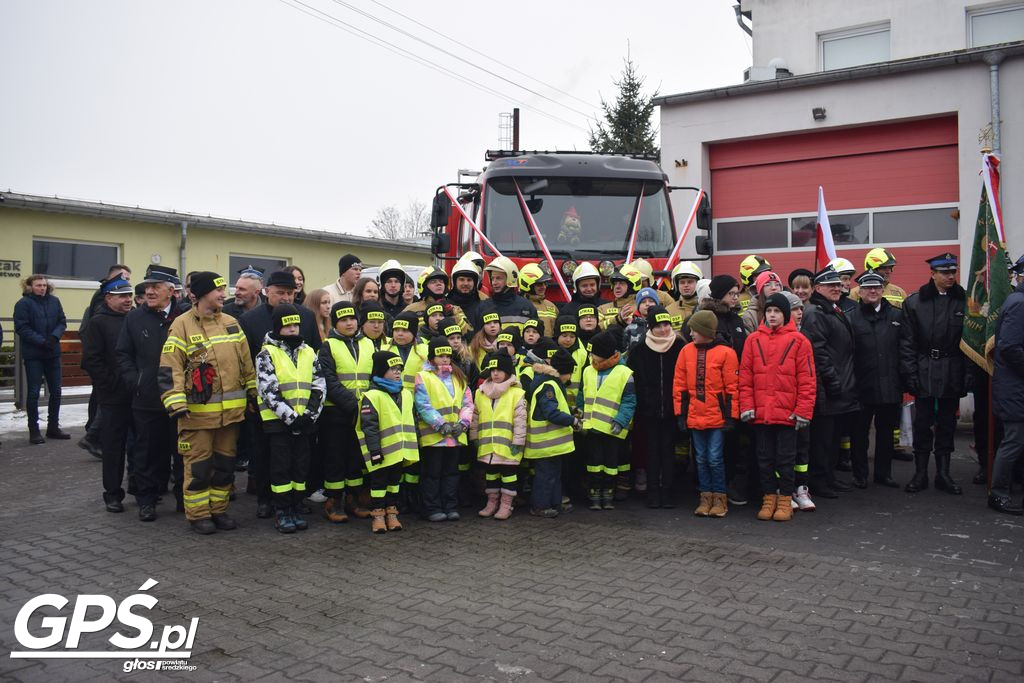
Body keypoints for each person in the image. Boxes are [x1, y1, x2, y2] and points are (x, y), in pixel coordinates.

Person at [159, 271, 257, 534]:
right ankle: (199, 515)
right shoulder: (181, 325)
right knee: (199, 469)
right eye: (218, 290)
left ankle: (219, 510)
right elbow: (170, 368)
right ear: (200, 295)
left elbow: (247, 364)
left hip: (230, 416)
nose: (223, 295)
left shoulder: (231, 323)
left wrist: (253, 394)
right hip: (197, 417)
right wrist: (176, 402)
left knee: (225, 468)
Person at [739, 293, 816, 522]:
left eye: (777, 312)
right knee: (764, 458)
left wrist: (803, 410)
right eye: (769, 311)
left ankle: (785, 500)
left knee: (785, 459)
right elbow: (745, 377)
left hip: (788, 415)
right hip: (761, 414)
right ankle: (769, 498)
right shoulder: (753, 340)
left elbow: (807, 379)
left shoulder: (800, 341)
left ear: (785, 315)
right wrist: (747, 406)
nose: (772, 315)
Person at [116, 265, 183, 522]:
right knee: (147, 452)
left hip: (180, 400)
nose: (149, 291)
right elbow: (123, 353)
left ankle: (183, 499)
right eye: (147, 286)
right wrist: (136, 381)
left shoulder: (184, 316)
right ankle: (146, 500)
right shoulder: (134, 318)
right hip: (147, 399)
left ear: (171, 290)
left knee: (182, 451)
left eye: (156, 286)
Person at [256, 304, 326, 533]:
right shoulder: (267, 353)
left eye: (295, 324)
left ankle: (297, 505)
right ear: (278, 326)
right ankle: (282, 510)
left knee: (301, 467)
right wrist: (291, 418)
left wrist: (308, 416)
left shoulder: (309, 352)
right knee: (281, 469)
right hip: (279, 424)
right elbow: (268, 391)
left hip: (305, 424)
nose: (292, 329)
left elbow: (319, 386)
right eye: (287, 325)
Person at [903, 253, 968, 495]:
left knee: (947, 424)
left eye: (953, 272)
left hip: (952, 368)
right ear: (933, 274)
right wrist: (910, 373)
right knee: (923, 423)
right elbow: (907, 343)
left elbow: (969, 343)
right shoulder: (915, 302)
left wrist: (967, 375)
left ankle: (944, 473)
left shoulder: (964, 302)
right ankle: (920, 473)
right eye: (945, 272)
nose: (950, 276)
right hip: (925, 367)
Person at [848, 271, 914, 489]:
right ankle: (860, 474)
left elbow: (906, 349)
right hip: (861, 386)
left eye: (877, 287)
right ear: (860, 292)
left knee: (886, 434)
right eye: (868, 288)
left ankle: (883, 474)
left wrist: (905, 379)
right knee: (859, 435)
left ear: (883, 289)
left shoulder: (896, 316)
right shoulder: (850, 317)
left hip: (890, 385)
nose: (873, 291)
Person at [802, 265, 859, 499]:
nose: (837, 288)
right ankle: (819, 481)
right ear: (817, 288)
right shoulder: (816, 312)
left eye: (838, 284)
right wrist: (834, 382)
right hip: (827, 388)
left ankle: (829, 478)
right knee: (822, 440)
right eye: (830, 285)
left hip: (840, 385)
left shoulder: (831, 309)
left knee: (834, 438)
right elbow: (819, 352)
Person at [81, 276, 135, 513]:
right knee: (114, 448)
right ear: (109, 298)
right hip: (113, 396)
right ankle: (112, 494)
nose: (128, 300)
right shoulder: (98, 323)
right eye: (122, 296)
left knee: (139, 444)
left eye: (129, 295)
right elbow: (92, 360)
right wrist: (112, 384)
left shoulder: (134, 318)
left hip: (137, 393)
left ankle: (140, 486)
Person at [318, 302, 373, 523]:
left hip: (364, 412)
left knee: (356, 458)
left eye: (351, 319)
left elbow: (375, 375)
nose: (349, 323)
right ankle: (333, 501)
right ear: (335, 323)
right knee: (335, 459)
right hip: (337, 414)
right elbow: (329, 380)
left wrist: (367, 406)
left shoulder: (369, 344)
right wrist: (352, 404)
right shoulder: (328, 346)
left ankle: (353, 500)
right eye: (343, 320)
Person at [357, 350, 418, 533]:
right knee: (378, 484)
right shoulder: (372, 396)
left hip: (401, 450)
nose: (397, 372)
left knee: (394, 482)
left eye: (399, 369)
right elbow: (369, 427)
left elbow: (411, 420)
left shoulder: (406, 394)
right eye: (392, 369)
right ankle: (378, 514)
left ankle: (392, 512)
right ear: (381, 371)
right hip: (381, 452)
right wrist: (374, 450)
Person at [630, 306, 685, 508]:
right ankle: (653, 492)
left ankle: (668, 491)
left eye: (666, 324)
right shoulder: (639, 350)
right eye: (658, 326)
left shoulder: (680, 346)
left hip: (672, 410)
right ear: (650, 328)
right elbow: (635, 382)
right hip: (648, 412)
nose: (663, 329)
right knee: (651, 452)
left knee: (668, 451)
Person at [415, 336, 474, 522]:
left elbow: (468, 403)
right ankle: (432, 507)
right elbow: (423, 405)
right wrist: (440, 424)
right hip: (434, 436)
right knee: (432, 474)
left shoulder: (459, 377)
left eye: (447, 356)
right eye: (440, 356)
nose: (445, 359)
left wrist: (463, 423)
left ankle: (450, 505)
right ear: (432, 357)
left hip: (455, 435)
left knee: (451, 473)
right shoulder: (423, 377)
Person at [579, 330, 635, 511]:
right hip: (591, 427)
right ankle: (595, 491)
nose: (591, 356)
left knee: (611, 463)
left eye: (594, 352)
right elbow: (582, 394)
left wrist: (620, 421)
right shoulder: (588, 370)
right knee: (593, 462)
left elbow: (629, 401)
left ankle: (608, 491)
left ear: (603, 353)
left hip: (612, 429)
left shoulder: (624, 373)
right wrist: (578, 413)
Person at [470, 352, 527, 520]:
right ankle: (491, 503)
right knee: (491, 475)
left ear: (508, 372)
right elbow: (475, 417)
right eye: (492, 370)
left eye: (499, 370)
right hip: (488, 445)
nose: (495, 373)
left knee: (509, 475)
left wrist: (518, 442)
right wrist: (474, 437)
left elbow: (521, 421)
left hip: (508, 445)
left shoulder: (516, 393)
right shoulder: (480, 393)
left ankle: (506, 505)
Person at [13, 274, 69, 444]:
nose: (42, 288)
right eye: (38, 285)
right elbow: (22, 327)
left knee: (56, 391)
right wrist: (41, 341)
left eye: (44, 285)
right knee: (33, 393)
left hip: (52, 352)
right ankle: (34, 430)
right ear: (30, 286)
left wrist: (54, 337)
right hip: (34, 355)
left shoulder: (54, 301)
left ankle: (53, 427)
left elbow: (62, 321)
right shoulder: (23, 304)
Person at [524, 347, 579, 517]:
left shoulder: (548, 382)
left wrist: (571, 410)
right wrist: (572, 420)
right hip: (545, 443)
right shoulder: (549, 385)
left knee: (553, 474)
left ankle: (555, 503)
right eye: (570, 373)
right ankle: (540, 506)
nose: (570, 378)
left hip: (550, 444)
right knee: (545, 476)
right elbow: (551, 412)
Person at [989, 255, 1024, 515]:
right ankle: (998, 494)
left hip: (1016, 388)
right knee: (1013, 442)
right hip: (1015, 389)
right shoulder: (1019, 303)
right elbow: (1010, 347)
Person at [782, 290, 815, 511]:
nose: (800, 312)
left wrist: (804, 407)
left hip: (799, 405)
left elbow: (808, 377)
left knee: (802, 451)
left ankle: (801, 487)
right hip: (781, 407)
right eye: (795, 308)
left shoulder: (804, 336)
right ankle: (783, 489)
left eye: (801, 308)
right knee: (783, 452)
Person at [403, 267, 470, 333]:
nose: (439, 284)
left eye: (441, 281)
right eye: (433, 282)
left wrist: (453, 315)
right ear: (424, 286)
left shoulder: (455, 309)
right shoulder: (412, 309)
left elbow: (469, 333)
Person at [479, 257, 536, 332]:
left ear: (510, 279)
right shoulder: (484, 307)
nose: (494, 282)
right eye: (492, 278)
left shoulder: (527, 307)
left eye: (498, 278)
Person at [598, 265, 643, 331]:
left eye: (622, 283)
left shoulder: (642, 308)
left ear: (632, 286)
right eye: (615, 283)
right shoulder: (602, 309)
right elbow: (595, 328)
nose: (617, 287)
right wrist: (617, 319)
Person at [519, 263, 558, 338]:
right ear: (527, 285)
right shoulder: (519, 306)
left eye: (545, 283)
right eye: (539, 284)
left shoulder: (552, 306)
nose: (544, 287)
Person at [448, 258, 488, 325]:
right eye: (461, 279)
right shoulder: (446, 304)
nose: (466, 283)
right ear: (454, 282)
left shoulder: (484, 306)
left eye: (469, 280)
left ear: (475, 283)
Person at [667, 262, 703, 332]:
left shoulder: (705, 309)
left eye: (690, 282)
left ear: (698, 283)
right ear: (677, 286)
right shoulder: (669, 311)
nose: (686, 285)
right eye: (682, 282)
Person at [622, 288, 660, 353]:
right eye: (643, 302)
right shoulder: (629, 328)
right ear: (638, 307)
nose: (647, 304)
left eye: (651, 301)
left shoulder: (664, 324)